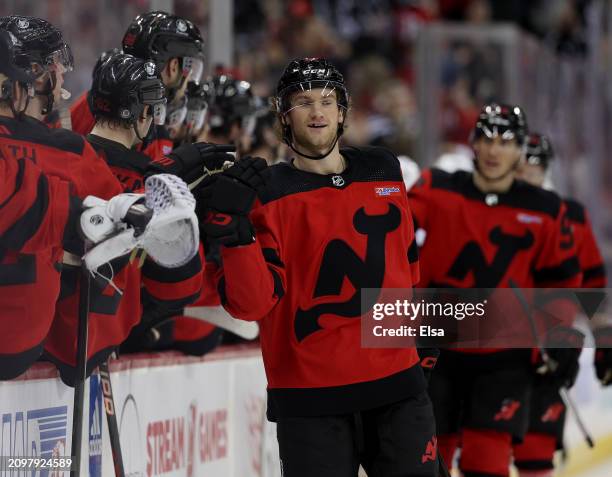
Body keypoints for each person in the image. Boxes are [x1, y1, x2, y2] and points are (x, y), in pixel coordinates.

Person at [198, 57, 437, 477]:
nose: (317, 111)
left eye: (327, 100)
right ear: (284, 116)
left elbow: (408, 267)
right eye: (303, 101)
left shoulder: (383, 168)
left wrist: (425, 334)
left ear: (343, 111)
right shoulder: (265, 193)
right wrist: (235, 234)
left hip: (398, 389)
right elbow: (251, 305)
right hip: (310, 401)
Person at [407, 104, 583, 477]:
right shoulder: (436, 188)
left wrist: (561, 335)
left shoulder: (546, 209)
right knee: (427, 462)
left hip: (506, 360)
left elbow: (561, 282)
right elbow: (390, 237)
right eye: (486, 138)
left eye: (505, 141)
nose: (493, 150)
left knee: (486, 464)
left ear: (520, 149)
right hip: (437, 350)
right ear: (472, 142)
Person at [84, 51, 233, 357]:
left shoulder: (60, 155)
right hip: (114, 336)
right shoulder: (150, 182)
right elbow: (184, 286)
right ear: (142, 114)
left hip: (47, 332)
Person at [0, 18, 124, 378]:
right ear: (35, 76)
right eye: (55, 68)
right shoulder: (70, 153)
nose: (62, 80)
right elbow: (120, 239)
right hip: (31, 349)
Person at [512, 133, 609, 476]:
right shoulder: (486, 209)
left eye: (532, 168)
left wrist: (605, 344)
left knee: (535, 457)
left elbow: (593, 285)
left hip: (550, 357)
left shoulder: (572, 217)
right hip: (490, 356)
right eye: (519, 167)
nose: (525, 175)